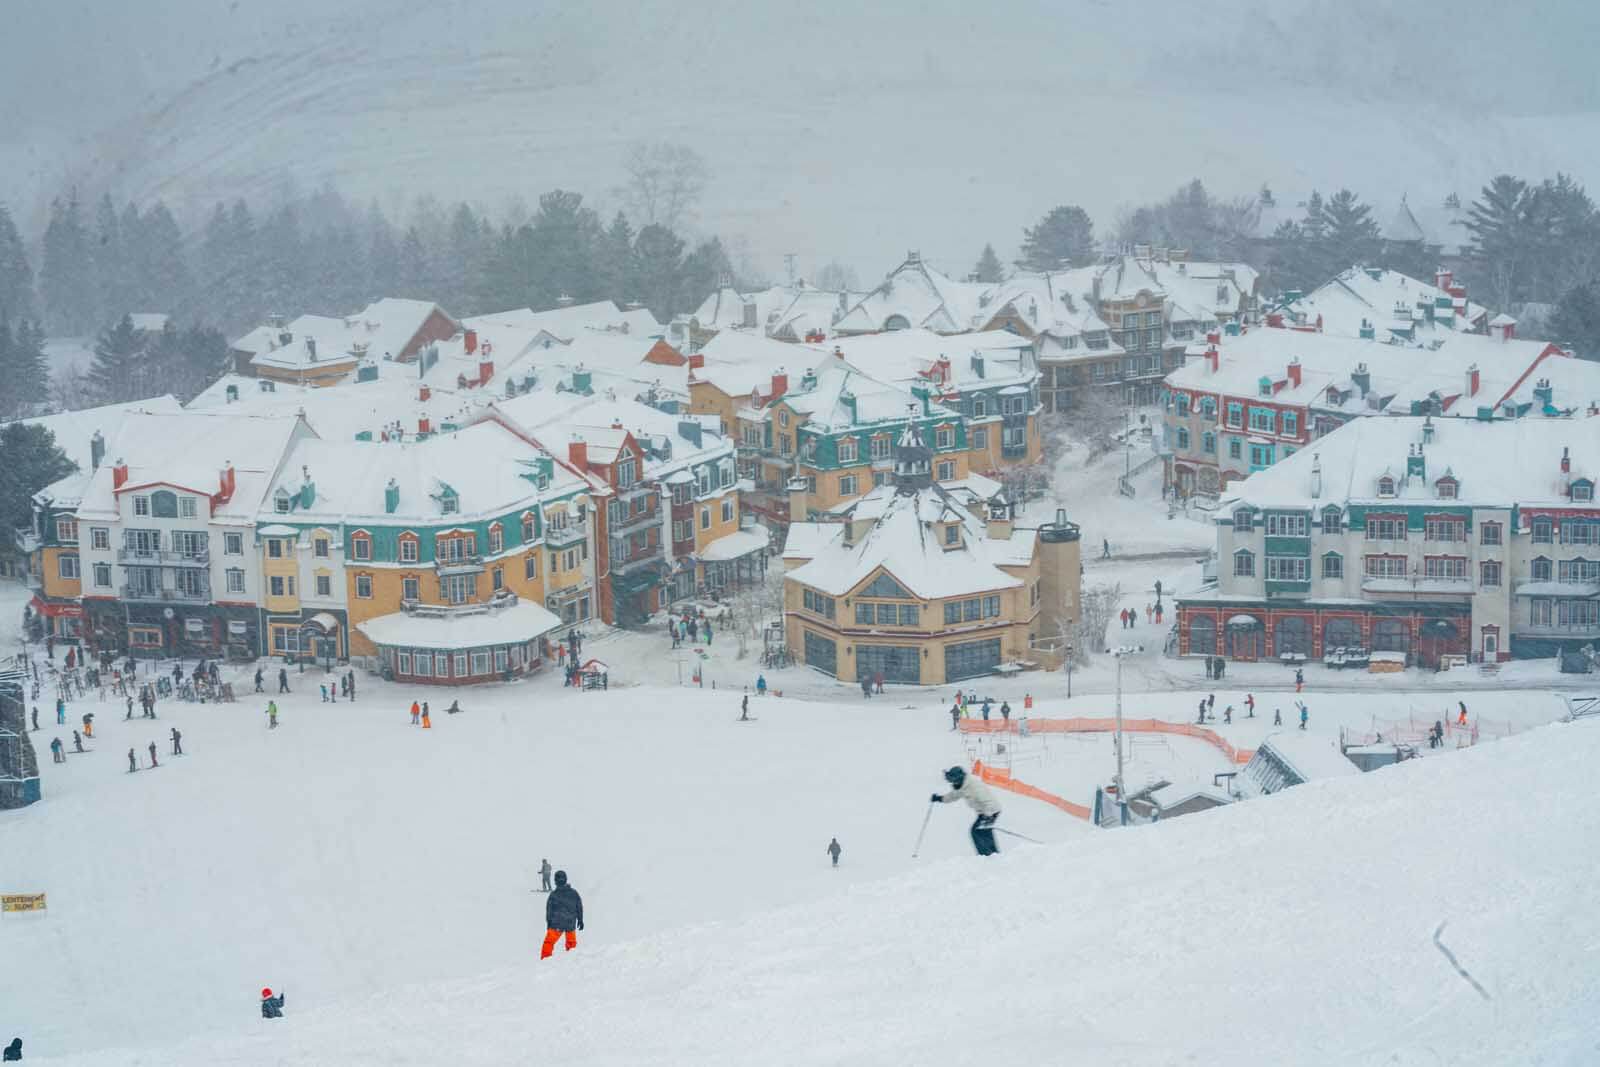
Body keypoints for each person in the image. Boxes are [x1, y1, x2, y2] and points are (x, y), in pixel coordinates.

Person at [931, 766, 1002, 856]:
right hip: (984, 812)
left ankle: (985, 856)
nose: (953, 783)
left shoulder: (973, 785)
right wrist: (940, 798)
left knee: (976, 831)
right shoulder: (962, 786)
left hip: (991, 810)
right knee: (984, 832)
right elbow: (953, 796)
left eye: (954, 780)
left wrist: (988, 816)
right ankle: (994, 855)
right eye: (951, 781)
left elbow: (988, 801)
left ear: (959, 778)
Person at [541, 870, 584, 959]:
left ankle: (545, 960)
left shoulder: (554, 895)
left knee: (549, 943)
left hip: (556, 924)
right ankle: (571, 959)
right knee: (571, 943)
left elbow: (549, 910)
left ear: (555, 881)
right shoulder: (573, 893)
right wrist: (580, 920)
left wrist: (549, 923)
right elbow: (579, 906)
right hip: (570, 923)